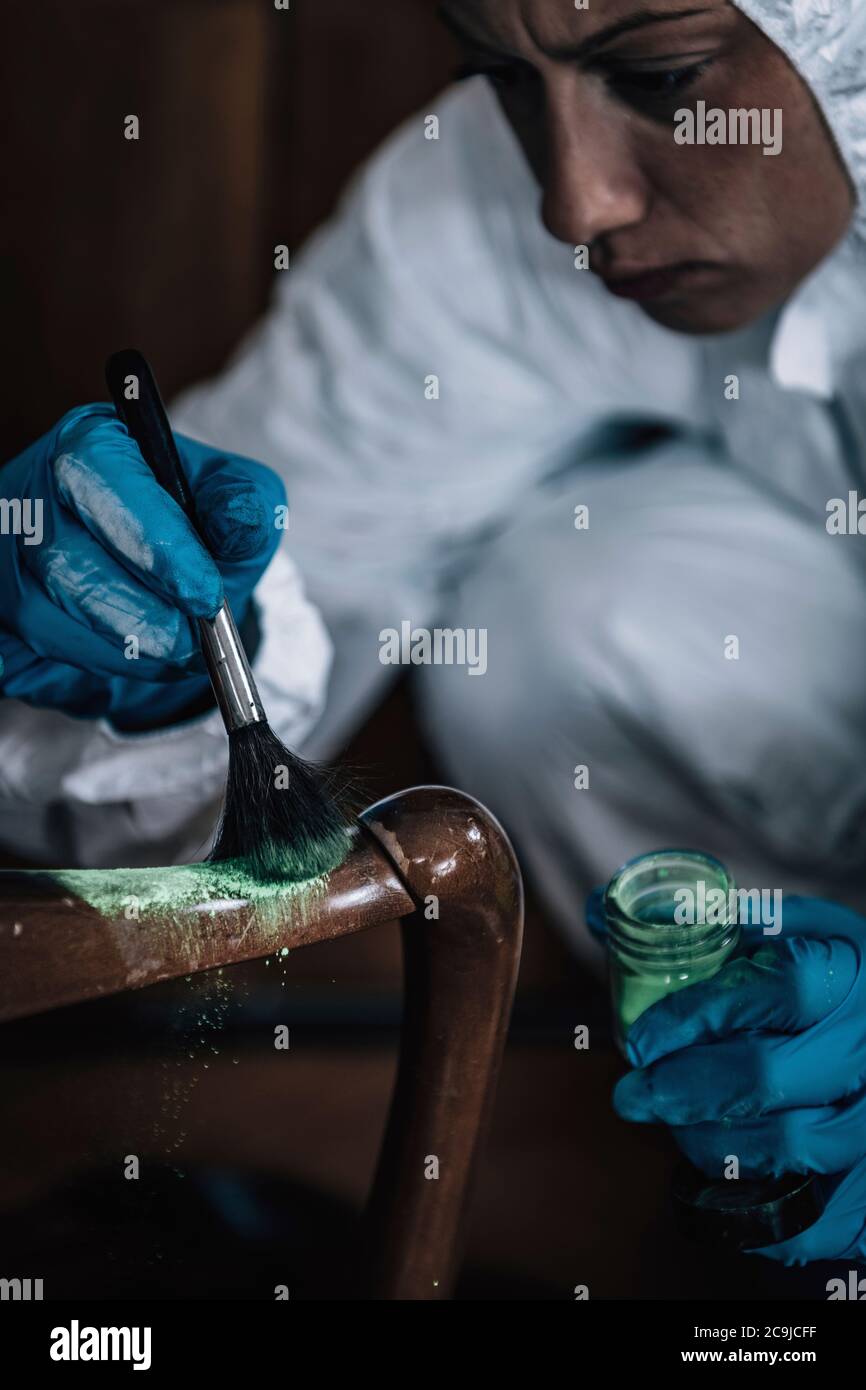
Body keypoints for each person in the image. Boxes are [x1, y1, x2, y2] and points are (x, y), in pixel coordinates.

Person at [2, 0, 866, 1265]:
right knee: (561, 606)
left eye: (663, 75)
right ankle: (778, 1089)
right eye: (504, 79)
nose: (571, 207)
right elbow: (312, 546)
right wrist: (156, 651)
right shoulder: (472, 200)